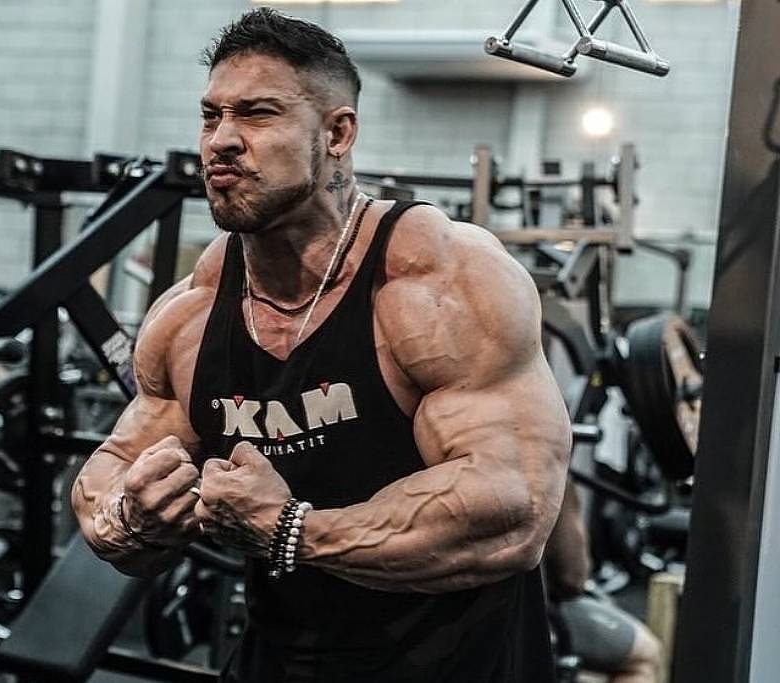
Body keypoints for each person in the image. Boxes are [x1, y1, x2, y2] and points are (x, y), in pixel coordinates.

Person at [73, 8, 571, 682]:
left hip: (459, 666)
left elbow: (512, 510)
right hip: (282, 658)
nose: (222, 140)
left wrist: (291, 529)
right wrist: (133, 516)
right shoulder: (190, 314)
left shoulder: (439, 279)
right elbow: (110, 473)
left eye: (257, 114)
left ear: (338, 133)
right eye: (211, 115)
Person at [545, 481, 663, 683]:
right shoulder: (546, 469)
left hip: (493, 614)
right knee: (645, 654)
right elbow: (571, 579)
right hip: (532, 615)